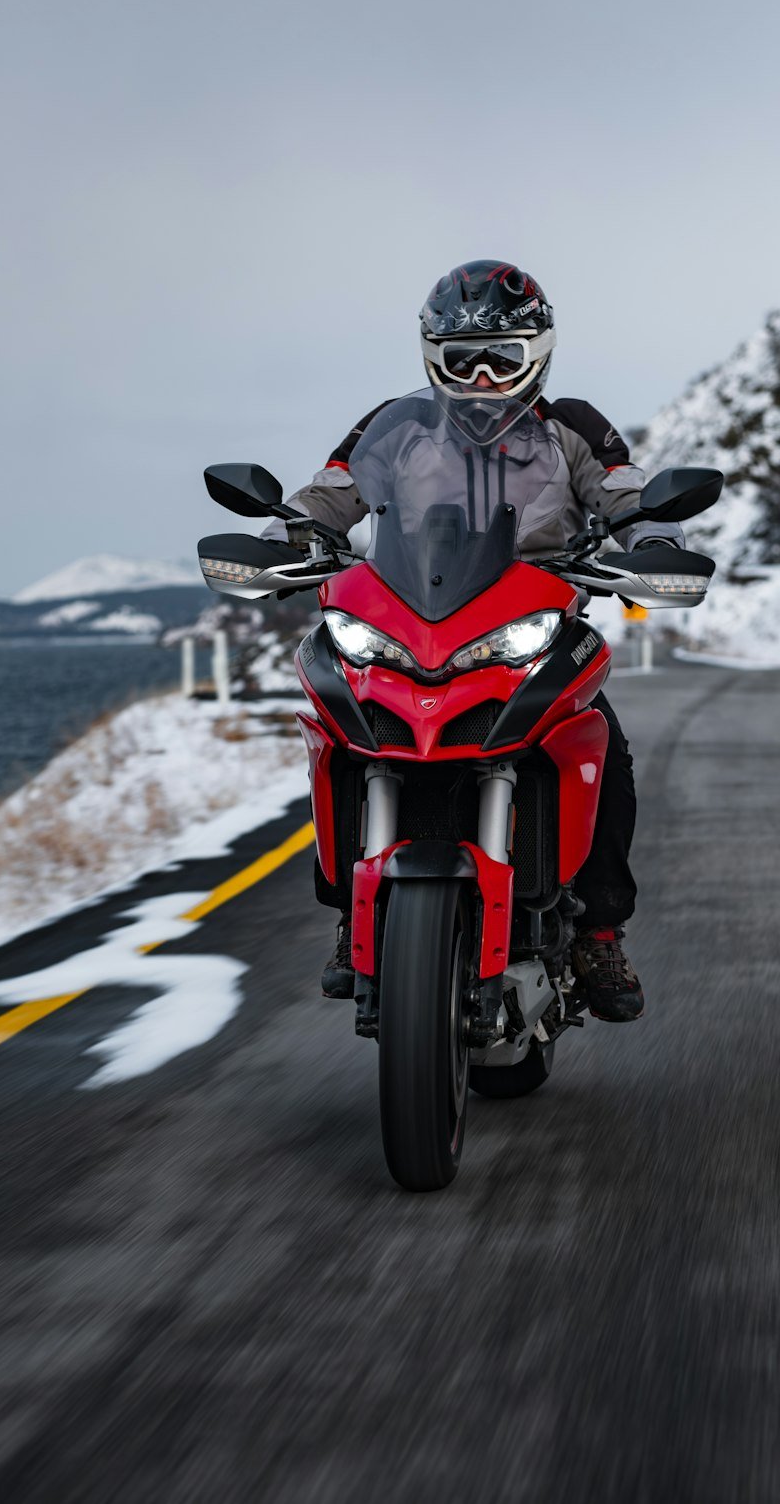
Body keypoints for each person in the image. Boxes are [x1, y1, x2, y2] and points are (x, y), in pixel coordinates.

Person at [269, 260, 682, 1022]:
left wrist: (652, 540)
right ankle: (350, 914)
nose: (485, 378)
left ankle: (597, 929)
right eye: (465, 361)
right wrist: (284, 535)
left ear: (538, 354)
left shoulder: (575, 428)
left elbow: (631, 493)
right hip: (410, 626)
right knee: (345, 738)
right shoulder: (394, 427)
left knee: (603, 750)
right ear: (435, 358)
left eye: (503, 359)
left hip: (536, 626)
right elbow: (328, 494)